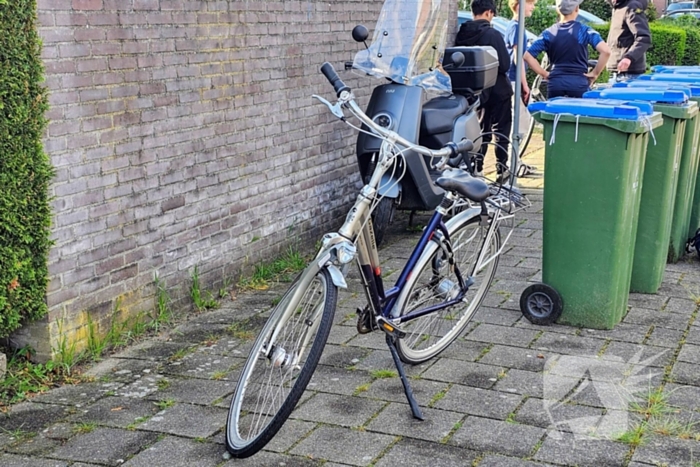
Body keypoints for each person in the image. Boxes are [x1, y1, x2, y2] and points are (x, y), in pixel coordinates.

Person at [455, 0, 513, 182]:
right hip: (497, 90)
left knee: (480, 130)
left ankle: (477, 168)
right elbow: (504, 64)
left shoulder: (461, 33)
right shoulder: (493, 35)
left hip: (475, 91)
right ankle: (501, 168)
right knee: (501, 130)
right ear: (488, 13)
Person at [523, 0, 611, 98]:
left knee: (555, 113)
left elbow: (527, 56)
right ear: (577, 8)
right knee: (579, 113)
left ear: (558, 10)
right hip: (578, 83)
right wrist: (595, 73)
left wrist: (544, 74)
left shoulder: (548, 33)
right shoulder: (585, 31)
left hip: (556, 84)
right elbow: (606, 51)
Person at [505, 0, 535, 142]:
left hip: (513, 79)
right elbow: (518, 59)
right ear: (519, 5)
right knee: (520, 121)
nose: (533, 7)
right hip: (514, 79)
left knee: (520, 119)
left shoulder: (516, 27)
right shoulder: (516, 28)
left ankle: (515, 160)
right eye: (530, 4)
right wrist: (524, 84)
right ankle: (514, 160)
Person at [606, 0, 651, 79]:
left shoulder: (631, 7)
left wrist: (629, 57)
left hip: (629, 72)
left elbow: (644, 37)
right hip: (617, 70)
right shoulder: (617, 7)